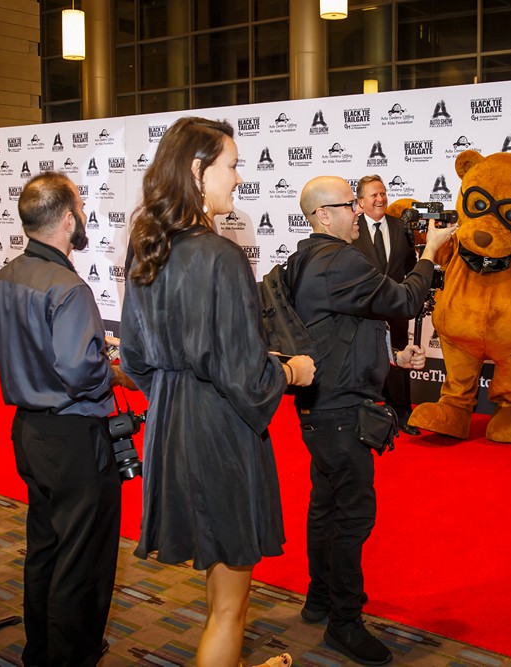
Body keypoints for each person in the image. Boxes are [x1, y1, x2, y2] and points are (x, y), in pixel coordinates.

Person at [120, 116, 314, 667]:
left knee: (217, 570)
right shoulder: (221, 256)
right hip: (220, 430)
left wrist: (184, 383)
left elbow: (134, 359)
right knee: (231, 604)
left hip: (169, 427)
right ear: (198, 171)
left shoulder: (147, 250)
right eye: (231, 166)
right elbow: (245, 378)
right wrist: (291, 372)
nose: (238, 179)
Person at [287, 175, 455, 666]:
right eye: (348, 205)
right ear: (323, 215)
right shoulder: (338, 260)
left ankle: (320, 600)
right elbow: (402, 301)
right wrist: (430, 254)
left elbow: (350, 321)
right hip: (341, 410)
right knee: (351, 516)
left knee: (326, 506)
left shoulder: (305, 258)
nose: (359, 211)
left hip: (322, 403)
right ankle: (345, 622)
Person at [0, 171, 124, 667]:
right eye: (81, 210)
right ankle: (71, 655)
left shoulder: (3, 278)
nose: (84, 217)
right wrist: (113, 369)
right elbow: (80, 371)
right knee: (80, 554)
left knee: (44, 545)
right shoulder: (68, 287)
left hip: (29, 431)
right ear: (67, 221)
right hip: (74, 435)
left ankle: (40, 650)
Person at [351, 174, 421, 435]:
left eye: (383, 193)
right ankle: (364, 412)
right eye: (374, 195)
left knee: (400, 361)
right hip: (363, 310)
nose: (380, 198)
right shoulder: (351, 229)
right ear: (360, 201)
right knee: (363, 359)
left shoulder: (400, 227)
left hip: (395, 307)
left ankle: (403, 413)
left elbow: (410, 267)